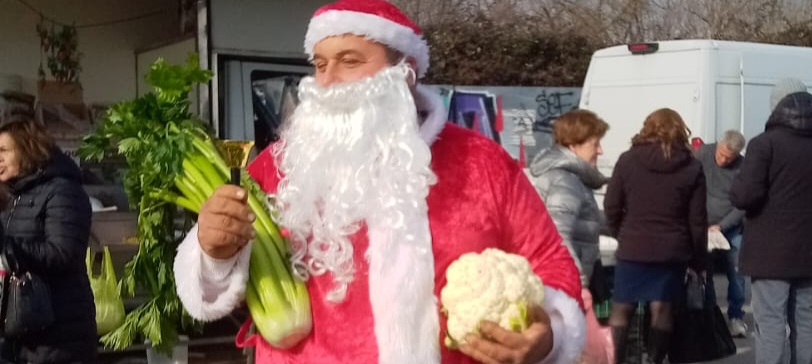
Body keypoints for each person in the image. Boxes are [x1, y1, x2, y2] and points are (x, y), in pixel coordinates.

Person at [172, 1, 586, 364]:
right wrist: (211, 253)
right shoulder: (279, 168)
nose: (327, 80)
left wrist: (547, 335)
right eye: (320, 64)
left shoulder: (482, 164)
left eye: (349, 61)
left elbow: (550, 260)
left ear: (405, 73)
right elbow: (217, 286)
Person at [730, 79, 812, 364]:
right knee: (804, 320)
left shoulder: (765, 144)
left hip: (769, 251)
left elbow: (743, 196)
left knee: (771, 322)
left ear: (776, 107)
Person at [604, 108, 707, 364]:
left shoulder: (627, 160)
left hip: (633, 246)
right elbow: (697, 220)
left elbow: (612, 206)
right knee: (662, 309)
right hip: (671, 251)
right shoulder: (692, 167)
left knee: (621, 310)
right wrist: (699, 261)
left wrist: (622, 234)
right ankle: (654, 360)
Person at [0, 120, 96, 364]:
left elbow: (64, 254)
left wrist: (9, 248)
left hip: (58, 335)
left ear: (28, 148)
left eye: (3, 151)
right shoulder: (16, 196)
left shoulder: (63, 190)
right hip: (22, 334)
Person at [530, 109, 609, 294]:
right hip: (567, 287)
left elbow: (582, 220)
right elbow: (559, 236)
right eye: (595, 144)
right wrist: (579, 283)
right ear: (573, 146)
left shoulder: (572, 178)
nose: (600, 151)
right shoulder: (565, 181)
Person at [696, 130, 748, 337]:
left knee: (737, 273)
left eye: (729, 158)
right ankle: (710, 316)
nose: (724, 160)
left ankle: (736, 316)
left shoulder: (743, 167)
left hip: (731, 226)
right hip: (702, 225)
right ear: (718, 145)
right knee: (704, 272)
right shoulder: (703, 154)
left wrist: (723, 225)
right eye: (721, 154)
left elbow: (743, 204)